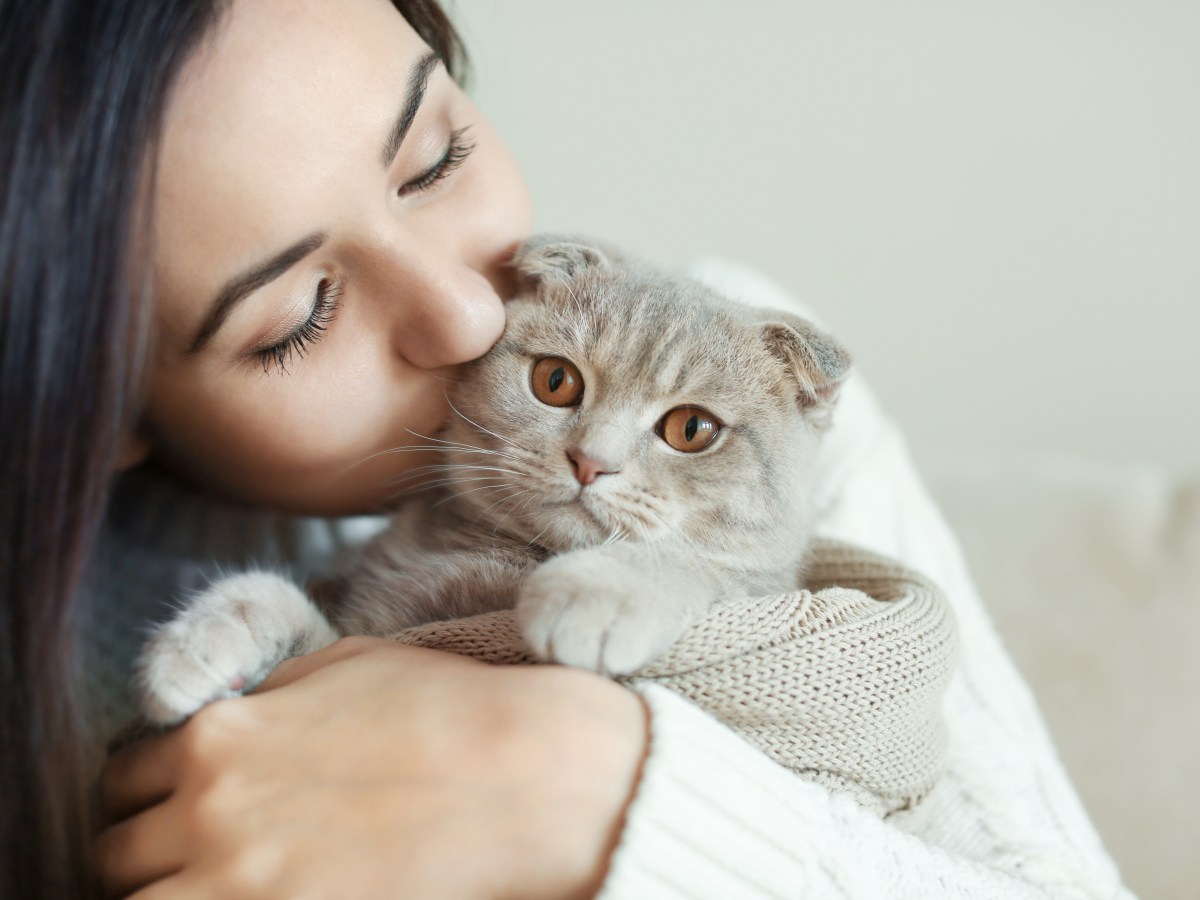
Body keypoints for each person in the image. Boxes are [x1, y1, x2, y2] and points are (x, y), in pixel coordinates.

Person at [0, 1, 1134, 897]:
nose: (470, 315)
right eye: (301, 313)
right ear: (102, 416)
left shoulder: (747, 377)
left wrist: (589, 790)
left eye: (435, 159)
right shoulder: (50, 663)